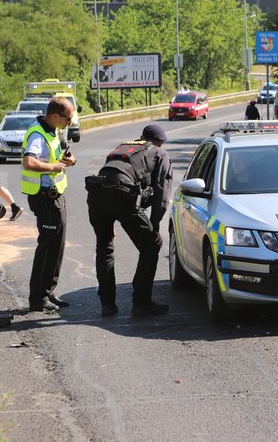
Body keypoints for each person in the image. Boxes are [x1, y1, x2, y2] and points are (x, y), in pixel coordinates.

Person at [85, 123, 173, 317]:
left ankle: (107, 304)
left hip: (96, 194)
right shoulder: (159, 153)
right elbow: (162, 192)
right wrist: (155, 226)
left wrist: (107, 218)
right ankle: (141, 303)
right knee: (151, 246)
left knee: (104, 247)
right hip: (121, 194)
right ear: (158, 142)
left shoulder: (124, 147)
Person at [21, 97, 76, 312]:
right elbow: (29, 162)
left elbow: (61, 155)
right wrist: (53, 167)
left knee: (57, 246)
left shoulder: (54, 130)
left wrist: (69, 160)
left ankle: (48, 291)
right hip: (43, 197)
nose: (69, 123)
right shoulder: (37, 133)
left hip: (55, 195)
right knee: (47, 247)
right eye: (68, 119)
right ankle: (37, 299)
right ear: (55, 115)